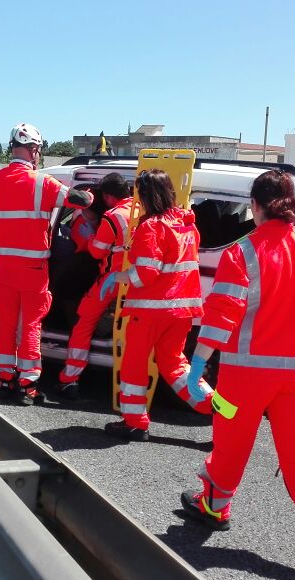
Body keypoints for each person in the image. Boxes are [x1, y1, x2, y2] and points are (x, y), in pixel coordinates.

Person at [180, 170, 295, 576]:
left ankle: (214, 507)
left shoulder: (242, 252)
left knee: (230, 445)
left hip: (245, 376)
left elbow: (220, 317)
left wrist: (197, 366)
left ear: (255, 206)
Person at [0, 123, 94, 405]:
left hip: (3, 267)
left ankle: (5, 378)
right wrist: (91, 195)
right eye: (38, 150)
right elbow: (79, 200)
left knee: (6, 323)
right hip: (32, 270)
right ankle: (27, 384)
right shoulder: (43, 183)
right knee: (30, 325)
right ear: (33, 150)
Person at [98, 169, 209, 440]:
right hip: (182, 312)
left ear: (145, 196)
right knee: (175, 365)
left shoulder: (151, 227)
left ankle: (135, 422)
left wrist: (116, 276)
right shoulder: (188, 224)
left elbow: (145, 275)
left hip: (151, 311)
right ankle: (218, 409)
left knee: (134, 365)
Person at [57, 173, 133, 399]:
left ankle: (69, 379)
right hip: (138, 280)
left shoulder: (113, 216)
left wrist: (90, 237)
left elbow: (98, 251)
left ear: (108, 196)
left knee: (83, 323)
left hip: (111, 280)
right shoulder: (142, 210)